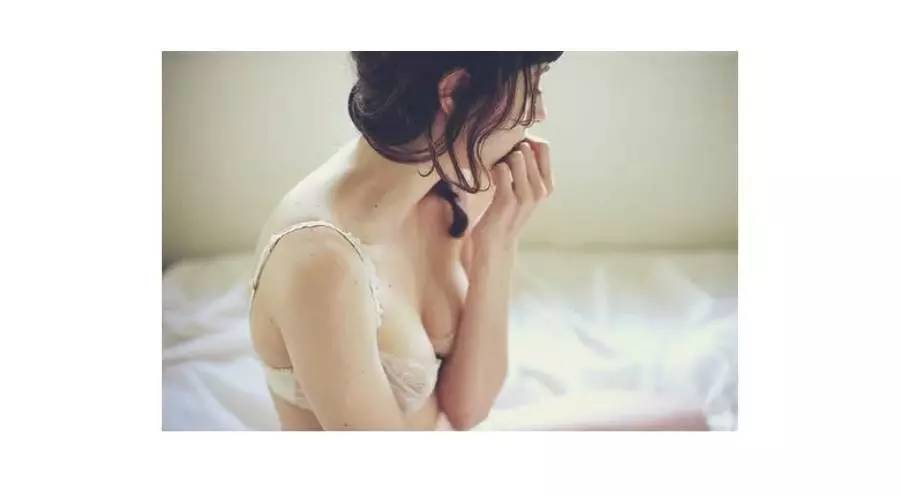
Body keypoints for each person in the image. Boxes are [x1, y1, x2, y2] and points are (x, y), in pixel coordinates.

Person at [248, 51, 707, 430]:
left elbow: (467, 408)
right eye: (534, 85)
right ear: (455, 90)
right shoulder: (321, 260)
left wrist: (498, 241)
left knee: (688, 423)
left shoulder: (446, 187)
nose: (539, 113)